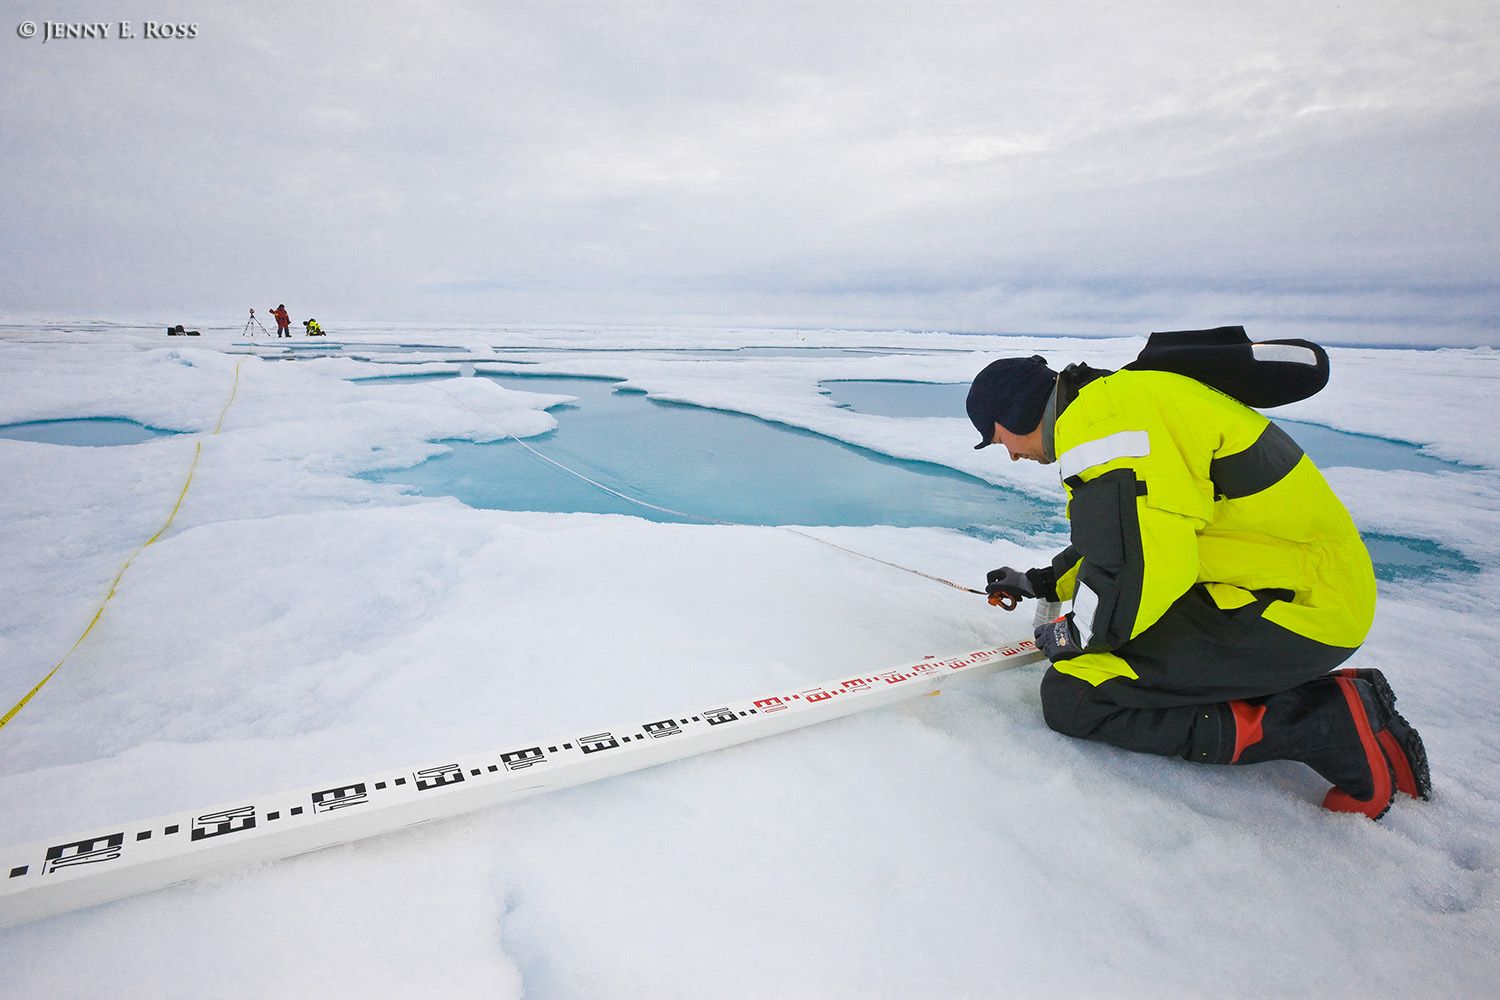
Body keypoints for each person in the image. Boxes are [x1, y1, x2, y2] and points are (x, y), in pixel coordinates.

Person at [968, 348, 1431, 819]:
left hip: (1298, 609)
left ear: (1012, 411)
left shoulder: (1102, 425)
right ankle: (1293, 693)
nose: (1010, 453)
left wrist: (1074, 638)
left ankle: (1324, 722)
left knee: (1075, 695)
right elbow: (1125, 534)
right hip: (1286, 587)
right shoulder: (1114, 404)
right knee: (1113, 653)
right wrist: (1045, 582)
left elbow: (1138, 569)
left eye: (997, 438)